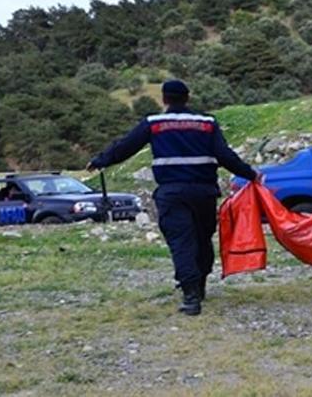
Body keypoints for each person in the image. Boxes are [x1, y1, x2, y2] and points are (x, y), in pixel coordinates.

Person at [87, 80, 259, 316]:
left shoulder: (154, 123)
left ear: (165, 99)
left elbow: (125, 147)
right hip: (204, 193)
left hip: (172, 193)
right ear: (187, 98)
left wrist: (100, 160)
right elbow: (225, 156)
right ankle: (200, 286)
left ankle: (190, 297)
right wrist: (251, 175)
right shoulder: (208, 123)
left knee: (182, 243)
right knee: (202, 240)